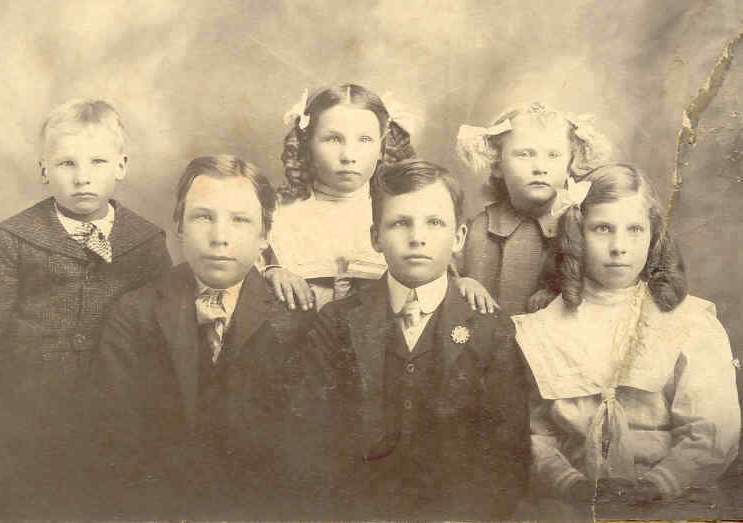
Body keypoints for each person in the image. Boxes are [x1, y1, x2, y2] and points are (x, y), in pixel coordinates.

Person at [0, 98, 171, 517]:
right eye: (66, 164)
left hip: (119, 413)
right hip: (34, 415)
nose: (82, 178)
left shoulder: (147, 241)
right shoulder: (12, 239)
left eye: (98, 161)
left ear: (121, 166)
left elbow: (163, 333)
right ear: (44, 170)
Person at [304, 159, 531, 519]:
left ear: (459, 237)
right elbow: (311, 440)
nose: (417, 237)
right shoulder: (337, 323)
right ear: (375, 237)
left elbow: (508, 455)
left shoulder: (490, 330)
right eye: (400, 223)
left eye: (435, 223)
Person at [513, 164, 740, 520]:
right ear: (576, 233)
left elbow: (712, 430)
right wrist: (569, 484)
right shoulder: (538, 330)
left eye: (635, 230)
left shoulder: (691, 323)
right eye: (602, 229)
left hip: (670, 502)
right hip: (568, 504)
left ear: (653, 235)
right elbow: (531, 434)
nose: (619, 247)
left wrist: (657, 485)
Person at [95, 155, 316, 519]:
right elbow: (116, 437)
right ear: (179, 226)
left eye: (240, 220)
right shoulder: (134, 313)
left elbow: (302, 447)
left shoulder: (295, 318)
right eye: (203, 217)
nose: (219, 237)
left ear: (264, 236)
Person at [264, 83, 416, 310]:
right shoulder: (279, 213)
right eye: (333, 139)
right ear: (307, 145)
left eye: (364, 139)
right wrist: (271, 272)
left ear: (382, 148)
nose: (348, 155)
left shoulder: (402, 213)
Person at [454, 102, 612, 315]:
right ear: (498, 165)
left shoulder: (583, 225)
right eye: (525, 154)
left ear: (570, 166)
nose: (540, 168)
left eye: (553, 155)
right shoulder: (479, 228)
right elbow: (442, 271)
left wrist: (558, 294)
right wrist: (461, 282)